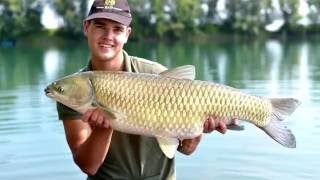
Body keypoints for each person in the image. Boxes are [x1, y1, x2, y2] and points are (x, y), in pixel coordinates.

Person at [56, 0, 227, 179]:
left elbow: (186, 149)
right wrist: (103, 127)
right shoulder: (72, 91)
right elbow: (88, 166)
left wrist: (198, 129)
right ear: (86, 27)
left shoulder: (155, 74)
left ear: (127, 34)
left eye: (117, 29)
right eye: (100, 26)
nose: (108, 36)